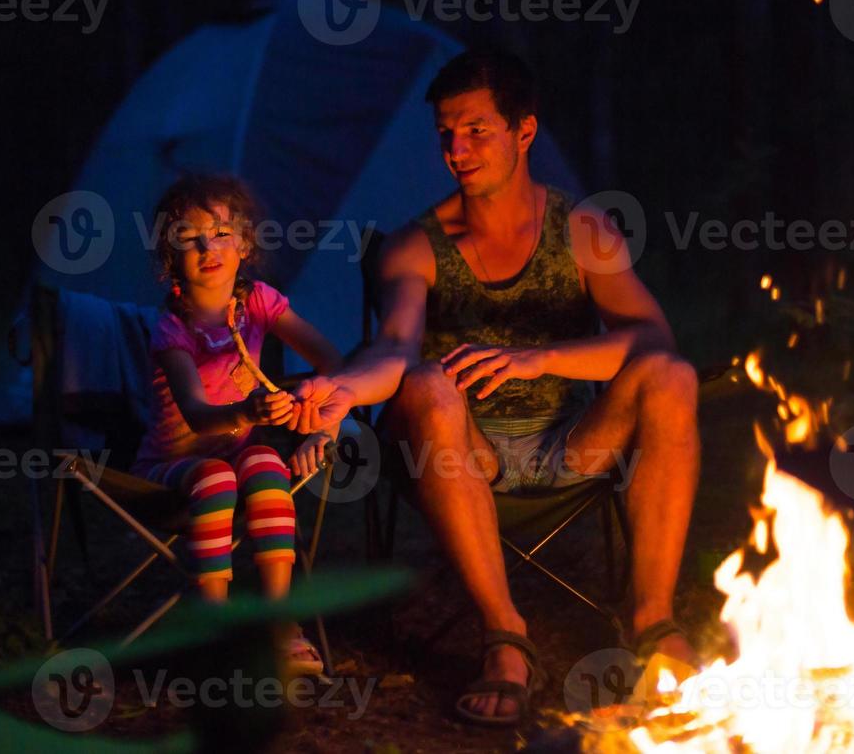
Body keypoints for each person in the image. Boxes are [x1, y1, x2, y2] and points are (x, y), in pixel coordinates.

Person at [288, 50, 701, 725]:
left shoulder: (581, 231)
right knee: (425, 383)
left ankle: (654, 623)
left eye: (477, 129)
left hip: (571, 445)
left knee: (672, 378)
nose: (457, 148)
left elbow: (653, 338)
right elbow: (393, 345)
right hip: (459, 453)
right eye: (446, 133)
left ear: (524, 131)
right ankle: (506, 638)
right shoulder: (415, 246)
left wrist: (540, 360)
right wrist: (340, 390)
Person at [131, 173, 342, 675]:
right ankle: (217, 626)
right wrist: (248, 412)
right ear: (169, 258)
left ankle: (277, 620)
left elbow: (331, 361)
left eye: (222, 233)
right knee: (218, 475)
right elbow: (198, 417)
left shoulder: (259, 303)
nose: (209, 246)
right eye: (190, 237)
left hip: (236, 456)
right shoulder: (172, 328)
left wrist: (309, 405)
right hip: (171, 465)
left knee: (268, 462)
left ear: (245, 243)